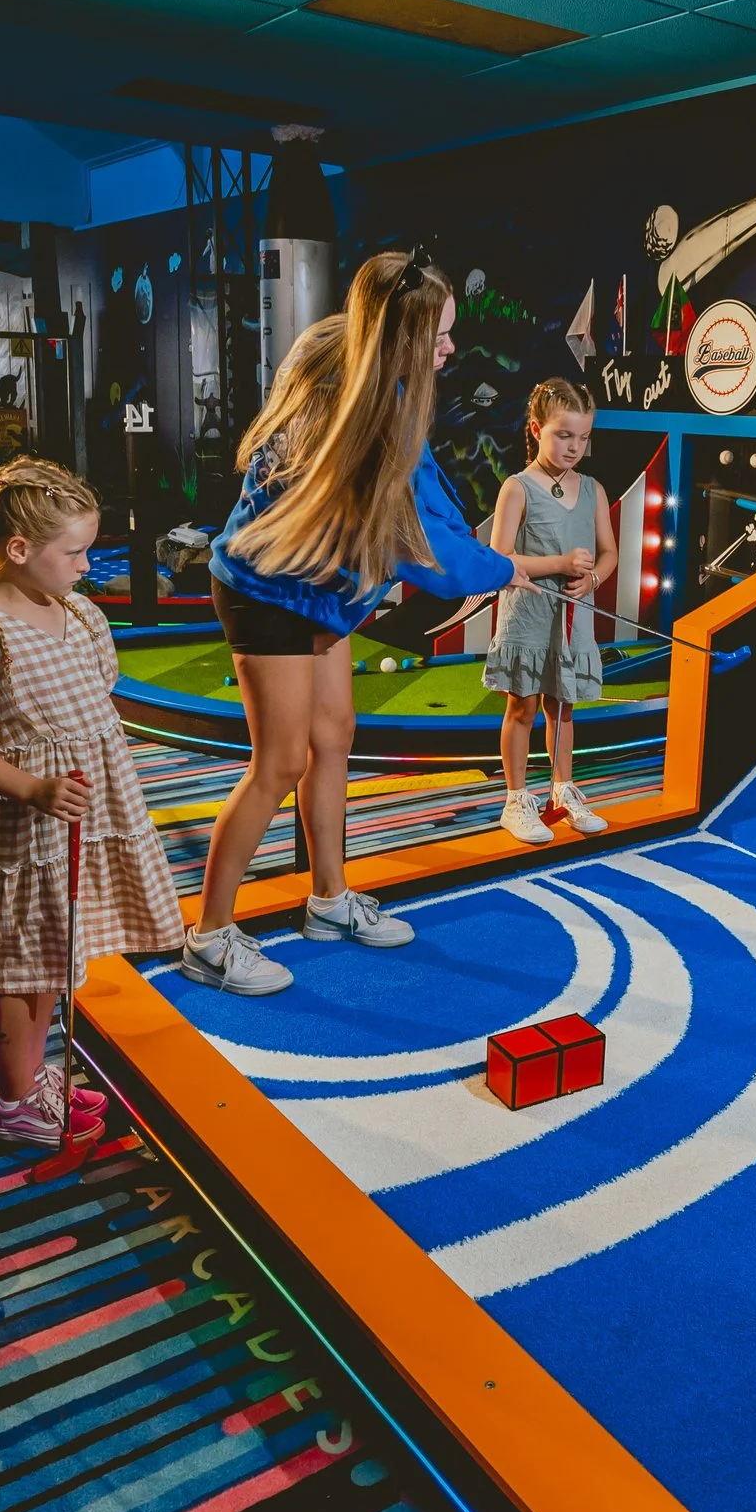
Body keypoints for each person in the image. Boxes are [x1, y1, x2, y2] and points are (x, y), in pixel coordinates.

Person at [186, 250, 592, 994]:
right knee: (278, 760)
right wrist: (519, 568)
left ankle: (329, 900)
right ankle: (209, 936)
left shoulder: (379, 377)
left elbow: (427, 502)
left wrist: (494, 556)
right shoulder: (365, 416)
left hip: (322, 593)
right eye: (438, 336)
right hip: (266, 588)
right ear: (400, 336)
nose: (449, 349)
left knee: (334, 735)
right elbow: (435, 554)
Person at [0, 456, 184, 1148]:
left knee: (55, 958)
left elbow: (95, 706)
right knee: (20, 963)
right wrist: (34, 786)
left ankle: (34, 1074)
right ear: (18, 550)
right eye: (74, 552)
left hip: (80, 825)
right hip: (18, 838)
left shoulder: (83, 617)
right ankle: (14, 1100)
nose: (86, 566)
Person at [486, 379, 616, 845]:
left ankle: (563, 792)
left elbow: (609, 553)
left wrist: (593, 579)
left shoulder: (593, 489)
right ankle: (516, 800)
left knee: (563, 706)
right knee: (522, 706)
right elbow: (500, 560)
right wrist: (559, 565)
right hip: (528, 615)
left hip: (573, 617)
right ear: (538, 429)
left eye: (582, 437)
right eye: (564, 435)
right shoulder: (517, 488)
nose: (574, 447)